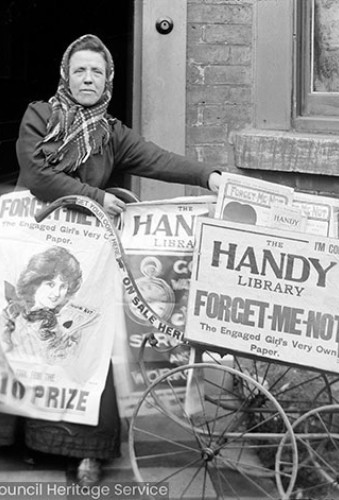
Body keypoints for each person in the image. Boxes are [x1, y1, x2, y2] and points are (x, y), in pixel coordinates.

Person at [1, 33, 222, 484]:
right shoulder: (39, 116)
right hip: (35, 247)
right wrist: (94, 194)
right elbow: (37, 174)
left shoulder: (111, 134)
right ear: (66, 74)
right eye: (80, 70)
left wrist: (208, 176)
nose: (87, 78)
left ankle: (83, 452)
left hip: (86, 257)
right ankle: (18, 437)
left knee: (85, 343)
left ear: (108, 81)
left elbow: (156, 159)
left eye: (96, 72)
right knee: (22, 335)